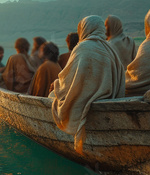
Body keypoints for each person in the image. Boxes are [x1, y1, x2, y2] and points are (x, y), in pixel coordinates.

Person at [51, 15, 125, 154]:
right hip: (109, 98)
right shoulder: (110, 49)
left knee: (52, 96)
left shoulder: (82, 48)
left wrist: (55, 84)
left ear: (84, 29)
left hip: (87, 101)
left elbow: (68, 83)